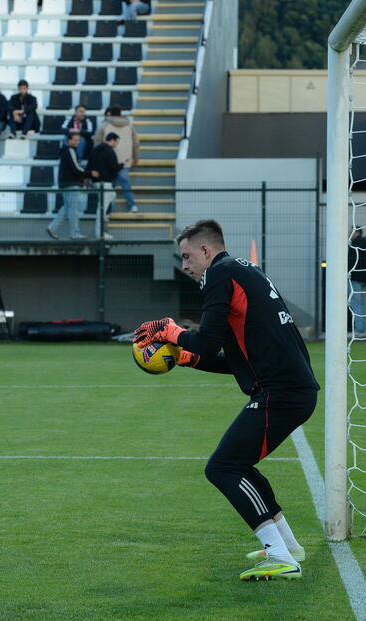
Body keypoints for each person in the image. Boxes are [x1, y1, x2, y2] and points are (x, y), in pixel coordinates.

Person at [132, 219, 320, 581]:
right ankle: (287, 546)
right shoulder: (243, 270)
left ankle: (280, 557)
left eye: (187, 256)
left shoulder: (219, 274)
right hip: (289, 389)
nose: (184, 265)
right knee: (240, 464)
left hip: (282, 392)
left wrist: (170, 331)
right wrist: (188, 358)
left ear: (206, 250)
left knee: (223, 467)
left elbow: (205, 341)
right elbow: (233, 360)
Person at [94, 105, 139, 212]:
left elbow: (97, 144)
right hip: (125, 161)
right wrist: (136, 157)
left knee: (108, 187)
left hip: (107, 162)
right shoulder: (130, 126)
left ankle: (108, 210)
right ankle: (132, 205)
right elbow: (136, 143)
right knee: (125, 182)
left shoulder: (104, 126)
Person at [46, 134, 90, 241]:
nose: (77, 142)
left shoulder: (66, 151)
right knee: (73, 209)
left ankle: (53, 227)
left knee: (67, 207)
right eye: (75, 140)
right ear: (69, 140)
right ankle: (74, 233)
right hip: (71, 183)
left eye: (78, 140)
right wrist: (88, 174)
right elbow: (76, 167)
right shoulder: (70, 150)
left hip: (65, 183)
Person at [86, 132, 121, 240]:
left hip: (96, 182)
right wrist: (122, 165)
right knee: (101, 208)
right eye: (117, 142)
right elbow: (114, 168)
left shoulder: (95, 150)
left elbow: (89, 165)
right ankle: (100, 233)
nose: (116, 145)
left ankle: (104, 216)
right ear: (112, 140)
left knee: (112, 195)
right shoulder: (110, 151)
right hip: (106, 182)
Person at [348, 227, 366, 337]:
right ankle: (363, 329)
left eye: (351, 231)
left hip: (356, 279)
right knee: (363, 304)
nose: (349, 233)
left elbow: (351, 262)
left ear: (357, 233)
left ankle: (359, 330)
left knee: (356, 304)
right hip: (365, 280)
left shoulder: (353, 246)